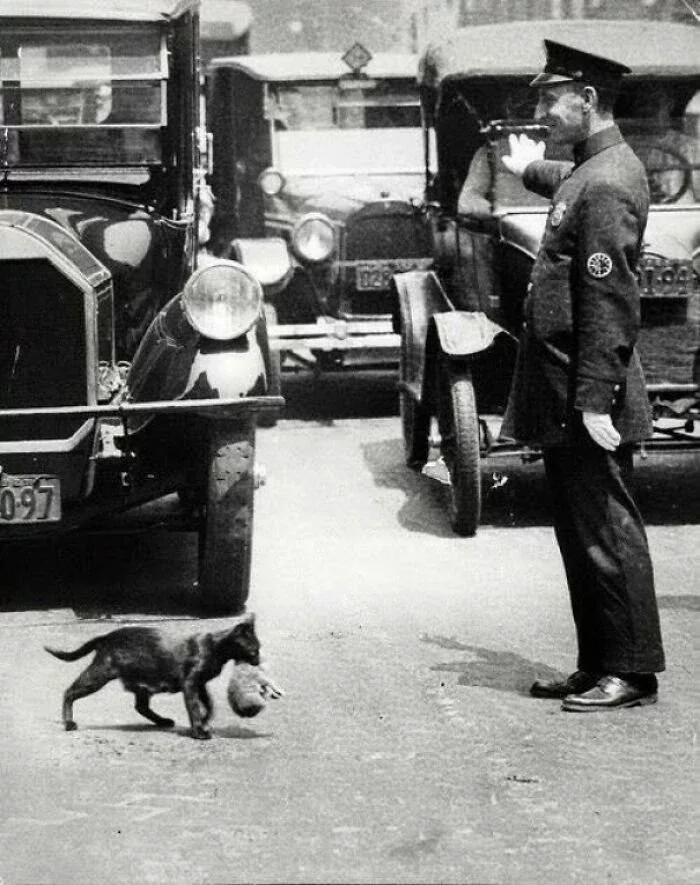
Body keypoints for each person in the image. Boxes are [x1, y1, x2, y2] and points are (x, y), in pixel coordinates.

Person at [499, 40, 665, 711]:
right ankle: (598, 663)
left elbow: (610, 300)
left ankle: (632, 671)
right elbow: (565, 183)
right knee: (581, 532)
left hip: (587, 391)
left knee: (607, 532)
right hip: (568, 388)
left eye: (549, 97)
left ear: (587, 99)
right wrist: (527, 168)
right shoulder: (592, 170)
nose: (540, 109)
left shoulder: (607, 182)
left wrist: (596, 399)